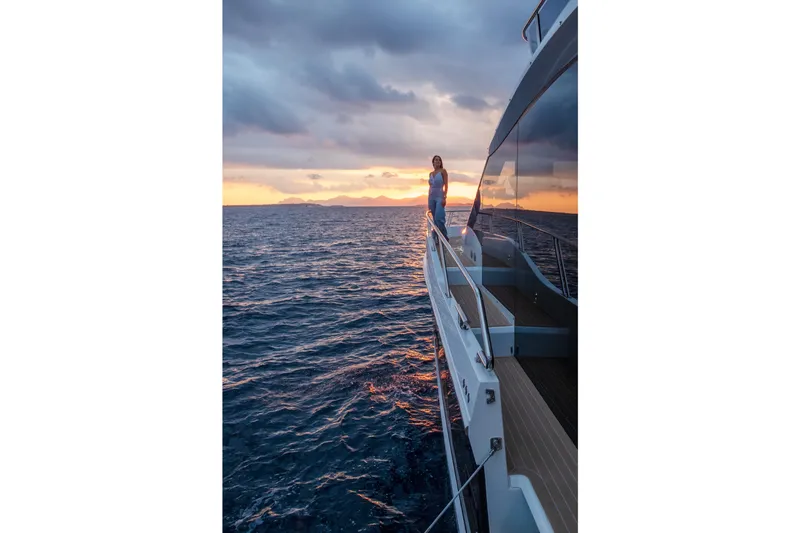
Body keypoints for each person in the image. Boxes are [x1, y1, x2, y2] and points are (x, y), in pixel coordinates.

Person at [428, 155, 448, 241]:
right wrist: (428, 200)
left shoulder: (443, 171)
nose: (438, 161)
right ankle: (436, 237)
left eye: (439, 160)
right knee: (434, 219)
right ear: (433, 162)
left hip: (440, 196)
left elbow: (446, 185)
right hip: (431, 197)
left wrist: (444, 197)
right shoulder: (430, 174)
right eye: (436, 160)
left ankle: (444, 237)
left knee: (439, 217)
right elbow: (430, 187)